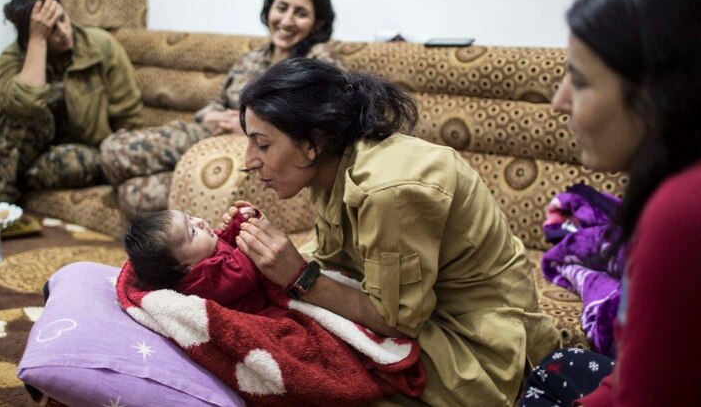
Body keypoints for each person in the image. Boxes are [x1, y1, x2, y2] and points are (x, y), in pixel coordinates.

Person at [234, 57, 559, 406]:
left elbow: (397, 321)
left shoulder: (388, 190)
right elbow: (335, 258)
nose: (248, 160)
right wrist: (248, 258)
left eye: (262, 144)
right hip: (427, 315)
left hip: (478, 346)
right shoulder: (329, 170)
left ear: (312, 141)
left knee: (310, 380)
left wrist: (300, 276)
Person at [520, 0, 701, 406]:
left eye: (579, 82)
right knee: (553, 368)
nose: (559, 102)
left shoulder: (681, 211)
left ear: (656, 91)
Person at [99, 0, 344, 215]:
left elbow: (321, 123)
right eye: (282, 8)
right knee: (114, 150)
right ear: (269, 9)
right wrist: (210, 116)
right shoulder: (254, 57)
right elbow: (217, 101)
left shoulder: (317, 63)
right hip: (206, 134)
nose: (287, 20)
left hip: (240, 151)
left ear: (318, 23)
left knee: (134, 194)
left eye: (300, 13)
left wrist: (251, 129)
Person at [0, 0, 144, 203]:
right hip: (29, 152)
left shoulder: (101, 46)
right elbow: (26, 103)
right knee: (22, 117)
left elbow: (129, 115)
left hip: (85, 151)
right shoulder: (13, 58)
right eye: (51, 29)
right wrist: (38, 41)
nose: (64, 32)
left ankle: (8, 186)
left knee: (66, 163)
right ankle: (1, 207)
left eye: (63, 19)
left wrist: (128, 160)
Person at [123, 203, 286, 317]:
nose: (199, 222)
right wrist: (250, 238)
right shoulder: (204, 278)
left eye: (190, 217)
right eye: (192, 232)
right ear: (185, 267)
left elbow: (226, 241)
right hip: (258, 312)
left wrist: (240, 222)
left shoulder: (205, 249)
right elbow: (243, 272)